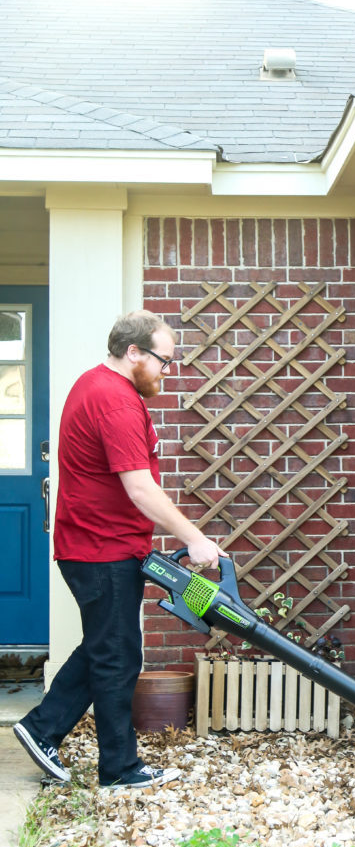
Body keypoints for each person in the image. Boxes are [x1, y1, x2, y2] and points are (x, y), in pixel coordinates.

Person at [14, 311, 225, 790]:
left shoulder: (96, 386)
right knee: (117, 655)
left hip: (98, 544)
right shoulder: (115, 401)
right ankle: (118, 768)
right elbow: (141, 489)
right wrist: (193, 537)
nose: (166, 372)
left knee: (108, 648)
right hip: (100, 549)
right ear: (134, 353)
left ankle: (42, 728)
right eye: (163, 361)